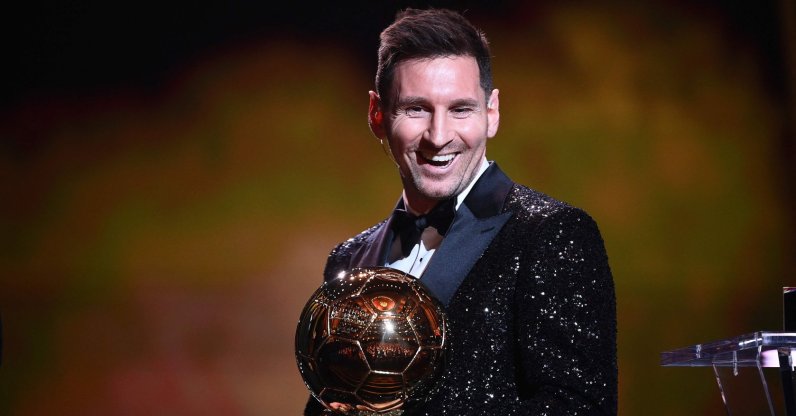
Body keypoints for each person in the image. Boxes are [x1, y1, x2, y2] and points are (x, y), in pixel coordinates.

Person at [305, 7, 617, 415]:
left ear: (492, 113)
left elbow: (580, 408)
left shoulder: (552, 234)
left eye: (460, 109)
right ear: (377, 115)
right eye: (416, 108)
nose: (438, 136)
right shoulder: (348, 259)